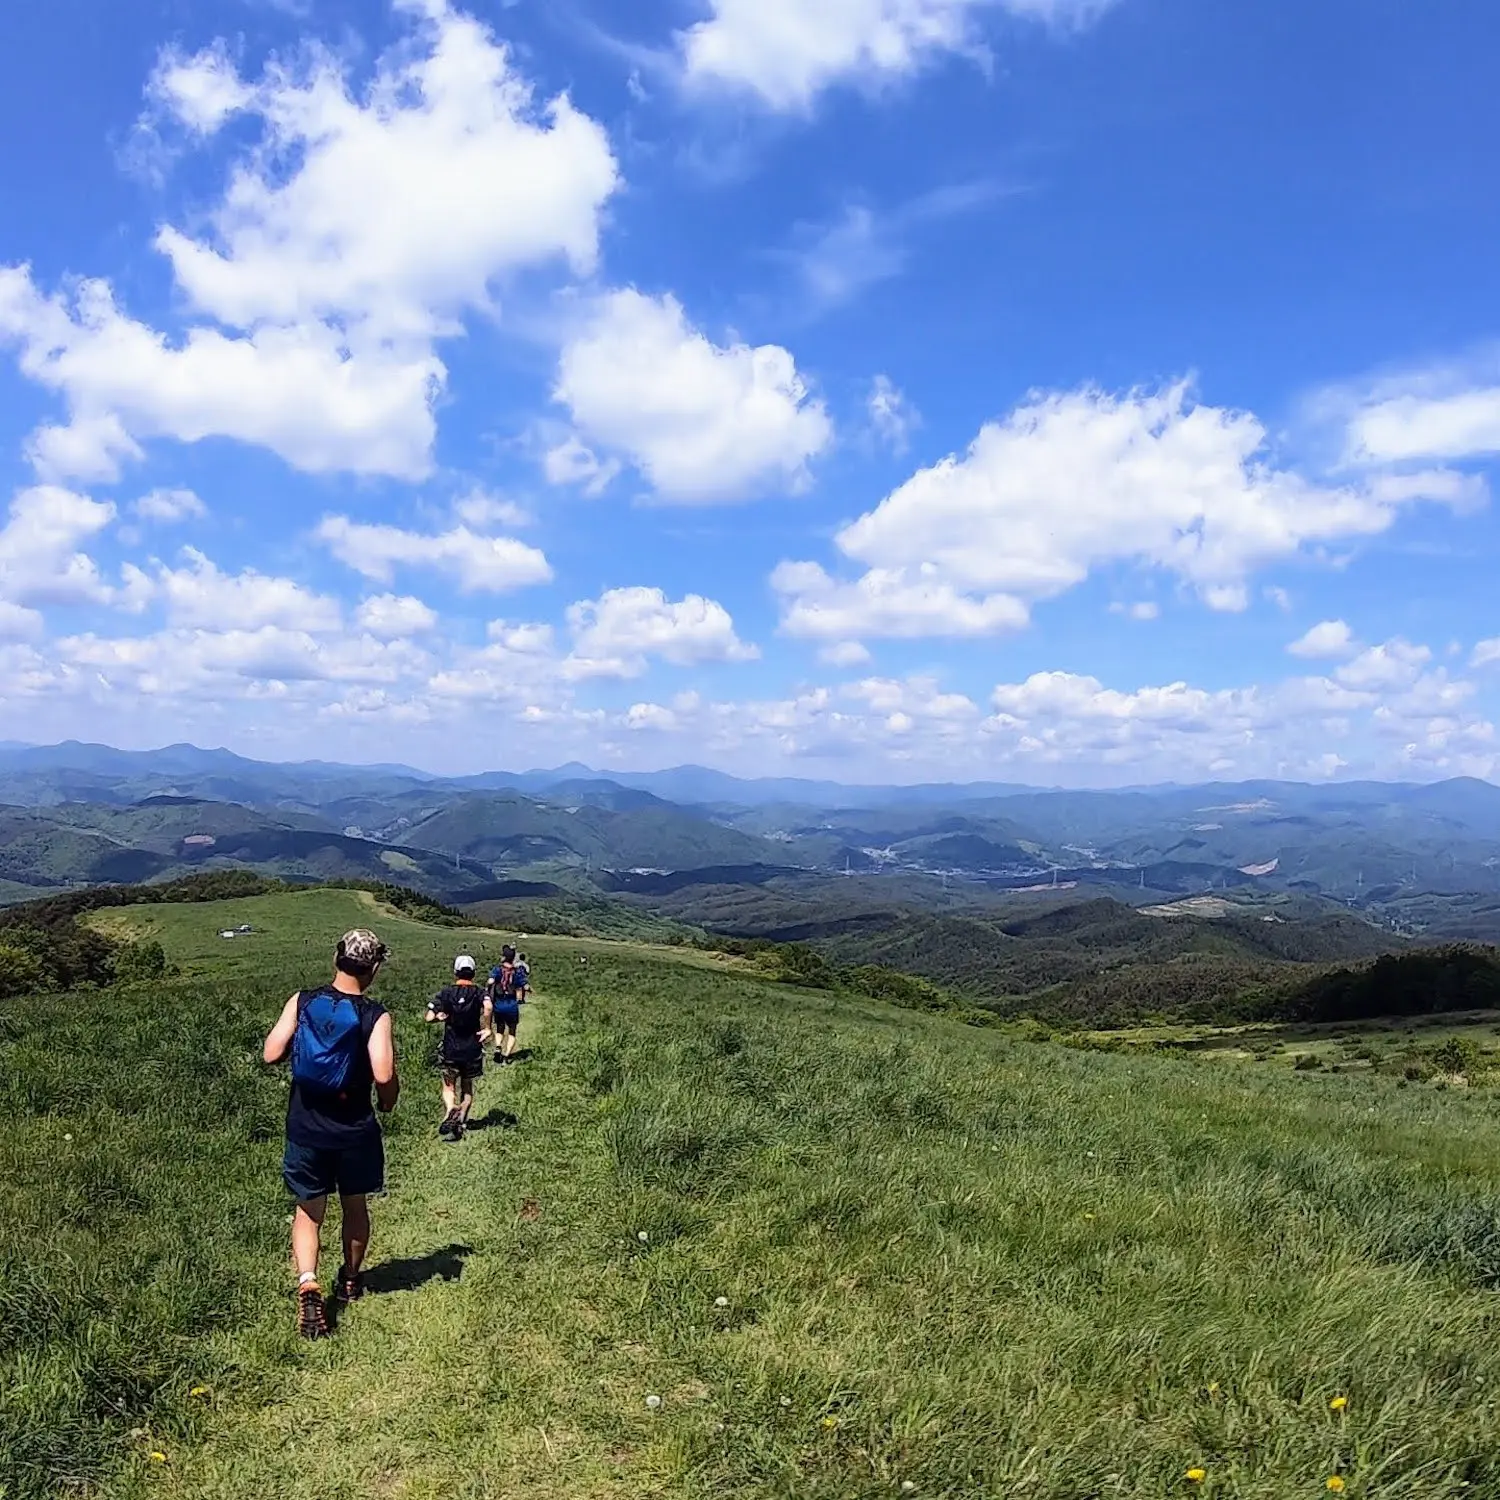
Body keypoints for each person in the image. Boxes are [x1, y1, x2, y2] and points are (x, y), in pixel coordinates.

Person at [263, 928, 399, 1340]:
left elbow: (271, 1053)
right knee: (354, 1206)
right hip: (354, 1130)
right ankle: (352, 1281)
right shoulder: (375, 1015)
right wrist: (389, 1101)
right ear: (373, 967)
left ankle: (308, 1281)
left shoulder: (302, 1001)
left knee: (308, 1211)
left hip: (305, 1126)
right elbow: (384, 1074)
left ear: (336, 957)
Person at [426, 955, 488, 1141]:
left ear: (455, 972)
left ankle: (450, 1109)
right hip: (472, 1048)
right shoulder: (479, 992)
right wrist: (486, 1028)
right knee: (467, 1087)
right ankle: (460, 1119)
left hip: (450, 1048)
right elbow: (488, 1006)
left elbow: (429, 1017)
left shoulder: (445, 993)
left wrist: (439, 1017)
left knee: (448, 1085)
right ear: (473, 973)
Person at [488, 945, 520, 1065]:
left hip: (499, 1003)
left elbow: (490, 981)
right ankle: (507, 1055)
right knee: (512, 1030)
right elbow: (523, 986)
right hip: (511, 1003)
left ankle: (498, 1046)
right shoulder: (517, 972)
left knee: (500, 1027)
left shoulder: (497, 970)